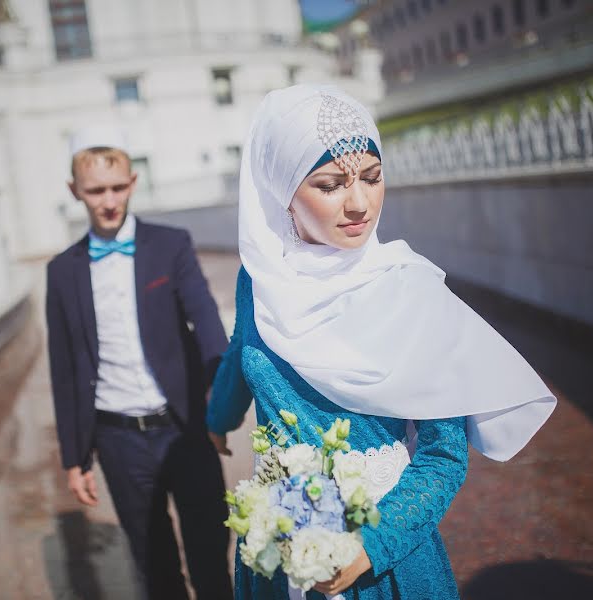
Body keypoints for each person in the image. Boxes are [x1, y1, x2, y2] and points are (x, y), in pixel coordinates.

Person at [206, 85, 556, 599]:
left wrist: (367, 546)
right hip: (280, 553)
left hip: (383, 567)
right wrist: (216, 418)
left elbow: (443, 456)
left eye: (372, 178)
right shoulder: (258, 279)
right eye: (329, 185)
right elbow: (243, 352)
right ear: (281, 191)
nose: (359, 204)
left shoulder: (409, 291)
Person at [45, 126, 233, 600]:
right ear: (75, 192)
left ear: (132, 182)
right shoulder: (62, 270)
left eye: (117, 187)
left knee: (211, 557)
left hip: (185, 426)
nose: (108, 200)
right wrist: (74, 457)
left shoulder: (170, 245)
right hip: (117, 438)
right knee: (155, 567)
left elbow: (206, 321)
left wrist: (220, 404)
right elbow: (64, 367)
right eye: (95, 191)